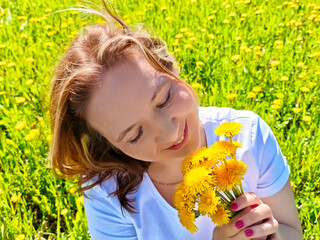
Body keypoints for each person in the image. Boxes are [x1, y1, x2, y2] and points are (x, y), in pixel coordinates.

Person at [49, 1, 302, 239]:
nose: (169, 132)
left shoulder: (248, 135)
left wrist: (272, 235)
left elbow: (292, 230)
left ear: (171, 67)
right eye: (135, 135)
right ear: (110, 145)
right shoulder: (107, 191)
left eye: (164, 99)